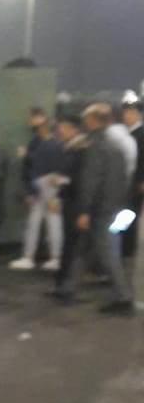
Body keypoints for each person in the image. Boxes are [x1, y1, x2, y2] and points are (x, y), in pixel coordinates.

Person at [56, 103, 133, 314]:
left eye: (86, 118)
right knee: (85, 248)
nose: (84, 122)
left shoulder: (95, 147)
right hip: (115, 206)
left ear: (93, 121)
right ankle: (68, 288)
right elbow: (123, 178)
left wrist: (84, 211)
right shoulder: (116, 145)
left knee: (107, 253)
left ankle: (123, 297)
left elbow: (90, 182)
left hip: (100, 210)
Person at [10, 108, 64, 271]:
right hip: (51, 185)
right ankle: (54, 258)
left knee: (40, 222)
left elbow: (36, 167)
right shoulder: (56, 144)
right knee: (51, 222)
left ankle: (31, 257)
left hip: (44, 184)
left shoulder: (45, 145)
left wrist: (26, 155)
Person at [49, 113, 88, 299]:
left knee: (73, 245)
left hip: (76, 203)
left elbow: (75, 178)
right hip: (71, 201)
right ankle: (62, 284)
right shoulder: (72, 148)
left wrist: (60, 185)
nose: (60, 131)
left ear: (74, 129)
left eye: (63, 128)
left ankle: (66, 285)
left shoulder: (80, 150)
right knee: (70, 244)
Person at [122, 98, 144, 256]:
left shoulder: (141, 134)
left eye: (130, 112)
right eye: (125, 112)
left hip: (136, 182)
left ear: (139, 115)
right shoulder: (126, 133)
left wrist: (142, 180)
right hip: (125, 181)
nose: (126, 116)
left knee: (130, 212)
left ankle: (127, 249)